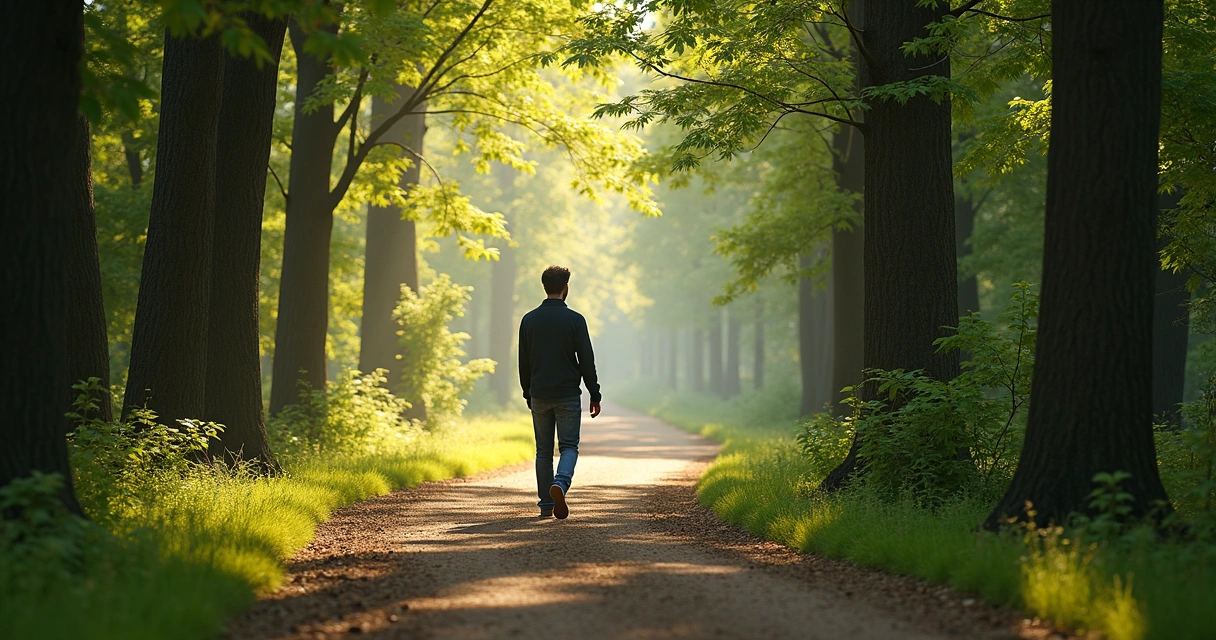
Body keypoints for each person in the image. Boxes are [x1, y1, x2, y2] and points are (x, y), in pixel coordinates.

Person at [517, 265, 601, 519]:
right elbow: (586, 359)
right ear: (566, 288)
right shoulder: (575, 320)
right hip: (567, 394)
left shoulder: (529, 320)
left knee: (543, 450)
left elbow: (524, 361)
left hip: (540, 393)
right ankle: (560, 484)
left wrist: (527, 392)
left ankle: (546, 504)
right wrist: (594, 393)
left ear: (545, 287)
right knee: (568, 446)